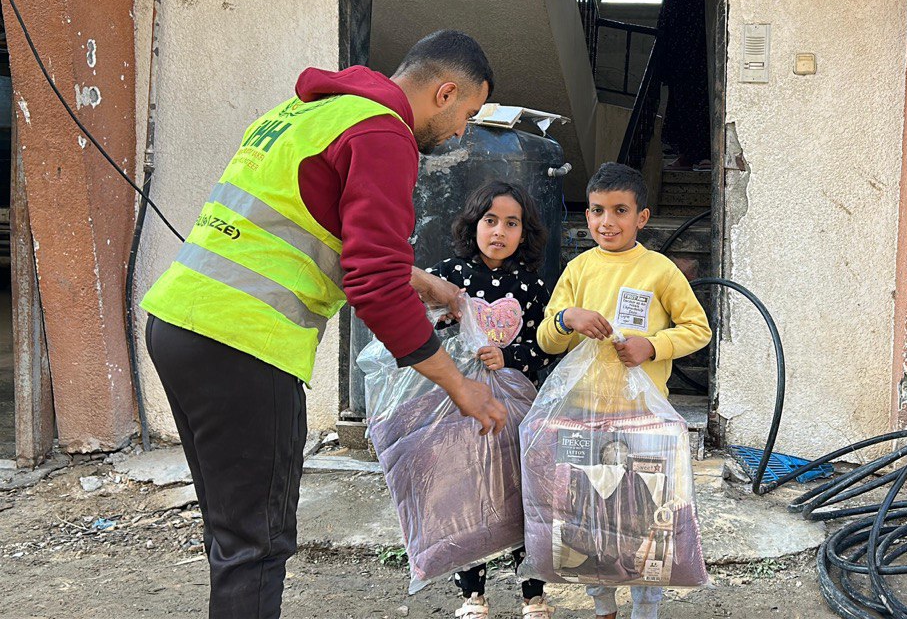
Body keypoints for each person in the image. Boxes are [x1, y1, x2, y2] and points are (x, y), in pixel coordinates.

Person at [141, 30, 509, 619]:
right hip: (244, 341)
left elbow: (322, 234)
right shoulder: (384, 135)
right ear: (444, 92)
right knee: (258, 546)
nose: (463, 130)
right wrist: (457, 385)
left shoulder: (315, 111)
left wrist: (430, 284)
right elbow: (374, 286)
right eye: (467, 113)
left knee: (234, 537)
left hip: (181, 323)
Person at [536, 162, 711, 619]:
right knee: (587, 521)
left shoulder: (659, 270)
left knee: (647, 522)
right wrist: (566, 318)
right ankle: (601, 607)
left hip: (643, 418)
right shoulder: (578, 268)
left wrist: (652, 345)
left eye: (620, 211)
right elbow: (545, 339)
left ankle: (646, 608)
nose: (606, 222)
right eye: (596, 211)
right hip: (583, 414)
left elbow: (698, 329)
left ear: (643, 218)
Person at [425, 180, 555, 619]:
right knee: (468, 494)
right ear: (473, 224)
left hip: (515, 404)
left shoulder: (533, 287)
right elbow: (424, 332)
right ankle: (472, 596)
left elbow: (546, 345)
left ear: (525, 232)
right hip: (461, 404)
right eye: (490, 220)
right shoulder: (448, 277)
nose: (499, 231)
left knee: (519, 493)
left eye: (511, 223)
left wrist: (510, 355)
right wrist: (444, 320)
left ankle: (533, 596)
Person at [653, 0, 710, 172]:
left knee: (699, 107)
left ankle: (705, 155)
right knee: (680, 110)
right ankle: (686, 157)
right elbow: (665, 25)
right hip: (677, 63)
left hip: (697, 61)